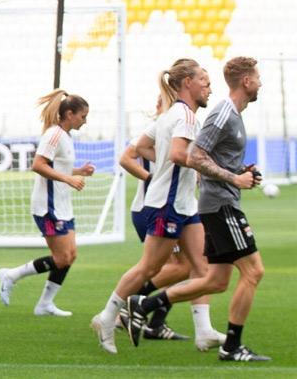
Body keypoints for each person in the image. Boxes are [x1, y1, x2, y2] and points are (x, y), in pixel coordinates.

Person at [129, 57, 269, 362]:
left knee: (215, 281)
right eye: (257, 77)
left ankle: (144, 305)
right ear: (246, 81)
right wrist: (234, 177)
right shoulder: (223, 113)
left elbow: (208, 158)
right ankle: (232, 348)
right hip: (221, 206)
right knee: (254, 271)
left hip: (219, 203)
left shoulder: (233, 115)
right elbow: (195, 155)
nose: (260, 82)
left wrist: (239, 170)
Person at [90, 59, 222, 354]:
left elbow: (141, 147)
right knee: (149, 267)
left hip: (184, 204)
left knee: (201, 266)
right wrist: (208, 166)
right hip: (168, 204)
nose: (209, 88)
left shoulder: (172, 114)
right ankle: (107, 317)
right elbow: (176, 154)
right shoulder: (184, 116)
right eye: (205, 81)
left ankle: (204, 331)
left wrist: (173, 164)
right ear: (188, 82)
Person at [0, 89, 95, 317]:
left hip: (62, 205)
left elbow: (58, 166)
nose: (85, 121)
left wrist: (79, 171)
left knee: (70, 256)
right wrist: (70, 178)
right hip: (47, 207)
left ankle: (45, 304)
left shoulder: (66, 136)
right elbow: (38, 165)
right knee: (61, 258)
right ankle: (11, 275)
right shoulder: (53, 134)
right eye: (82, 116)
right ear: (69, 114)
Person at [114, 96, 191, 339]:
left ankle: (153, 321)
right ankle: (125, 309)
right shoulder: (159, 128)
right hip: (152, 207)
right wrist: (149, 178)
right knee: (177, 267)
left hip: (164, 206)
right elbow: (126, 157)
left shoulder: (175, 127)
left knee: (178, 267)